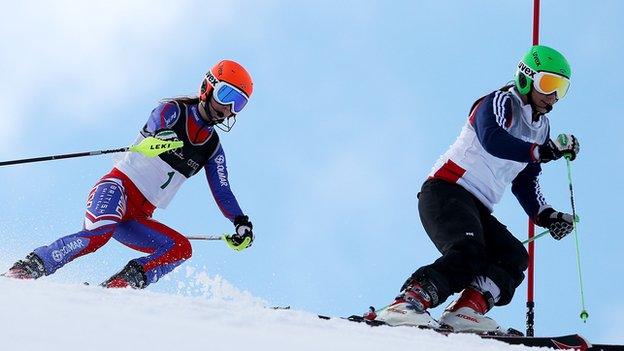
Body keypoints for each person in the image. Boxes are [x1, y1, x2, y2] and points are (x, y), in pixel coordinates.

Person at [370, 45, 581, 332]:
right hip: (447, 189)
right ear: (526, 78)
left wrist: (546, 215)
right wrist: (540, 151)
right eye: (548, 84)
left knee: (513, 255)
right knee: (469, 250)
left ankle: (466, 309)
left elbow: (525, 180)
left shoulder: (540, 128)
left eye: (561, 88)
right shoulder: (500, 102)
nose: (553, 96)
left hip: (477, 206)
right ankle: (409, 301)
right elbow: (493, 139)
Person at [3, 60, 255, 289]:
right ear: (207, 87)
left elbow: (222, 189)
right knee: (97, 237)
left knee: (180, 248)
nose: (229, 109)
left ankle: (119, 286)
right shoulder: (174, 110)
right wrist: (155, 138)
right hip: (117, 189)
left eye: (239, 103)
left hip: (137, 217)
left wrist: (240, 222)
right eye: (227, 95)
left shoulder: (212, 148)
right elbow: (158, 123)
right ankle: (28, 268)